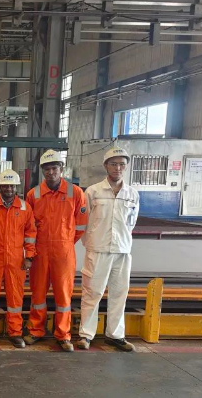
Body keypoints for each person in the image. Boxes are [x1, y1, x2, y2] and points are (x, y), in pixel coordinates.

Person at [25, 150, 88, 352]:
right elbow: (28, 226)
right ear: (42, 171)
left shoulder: (75, 193)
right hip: (40, 252)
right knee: (38, 293)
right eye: (47, 169)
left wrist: (66, 241)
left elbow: (81, 225)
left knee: (63, 295)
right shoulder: (33, 195)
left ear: (61, 169)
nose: (51, 172)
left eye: (54, 168)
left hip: (64, 252)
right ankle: (36, 330)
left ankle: (63, 334)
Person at [77, 147, 139, 352]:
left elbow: (131, 223)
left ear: (126, 167)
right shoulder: (93, 192)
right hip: (97, 250)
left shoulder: (132, 194)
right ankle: (86, 334)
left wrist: (122, 241)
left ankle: (115, 335)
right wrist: (91, 243)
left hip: (122, 250)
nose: (118, 168)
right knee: (92, 292)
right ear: (105, 166)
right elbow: (84, 222)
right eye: (113, 164)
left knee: (119, 293)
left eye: (122, 164)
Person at [0, 169, 36, 348]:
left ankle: (15, 332)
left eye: (11, 186)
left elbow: (30, 234)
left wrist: (29, 256)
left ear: (16, 187)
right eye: (5, 186)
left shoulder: (25, 208)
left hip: (16, 260)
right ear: (0, 187)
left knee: (15, 298)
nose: (9, 189)